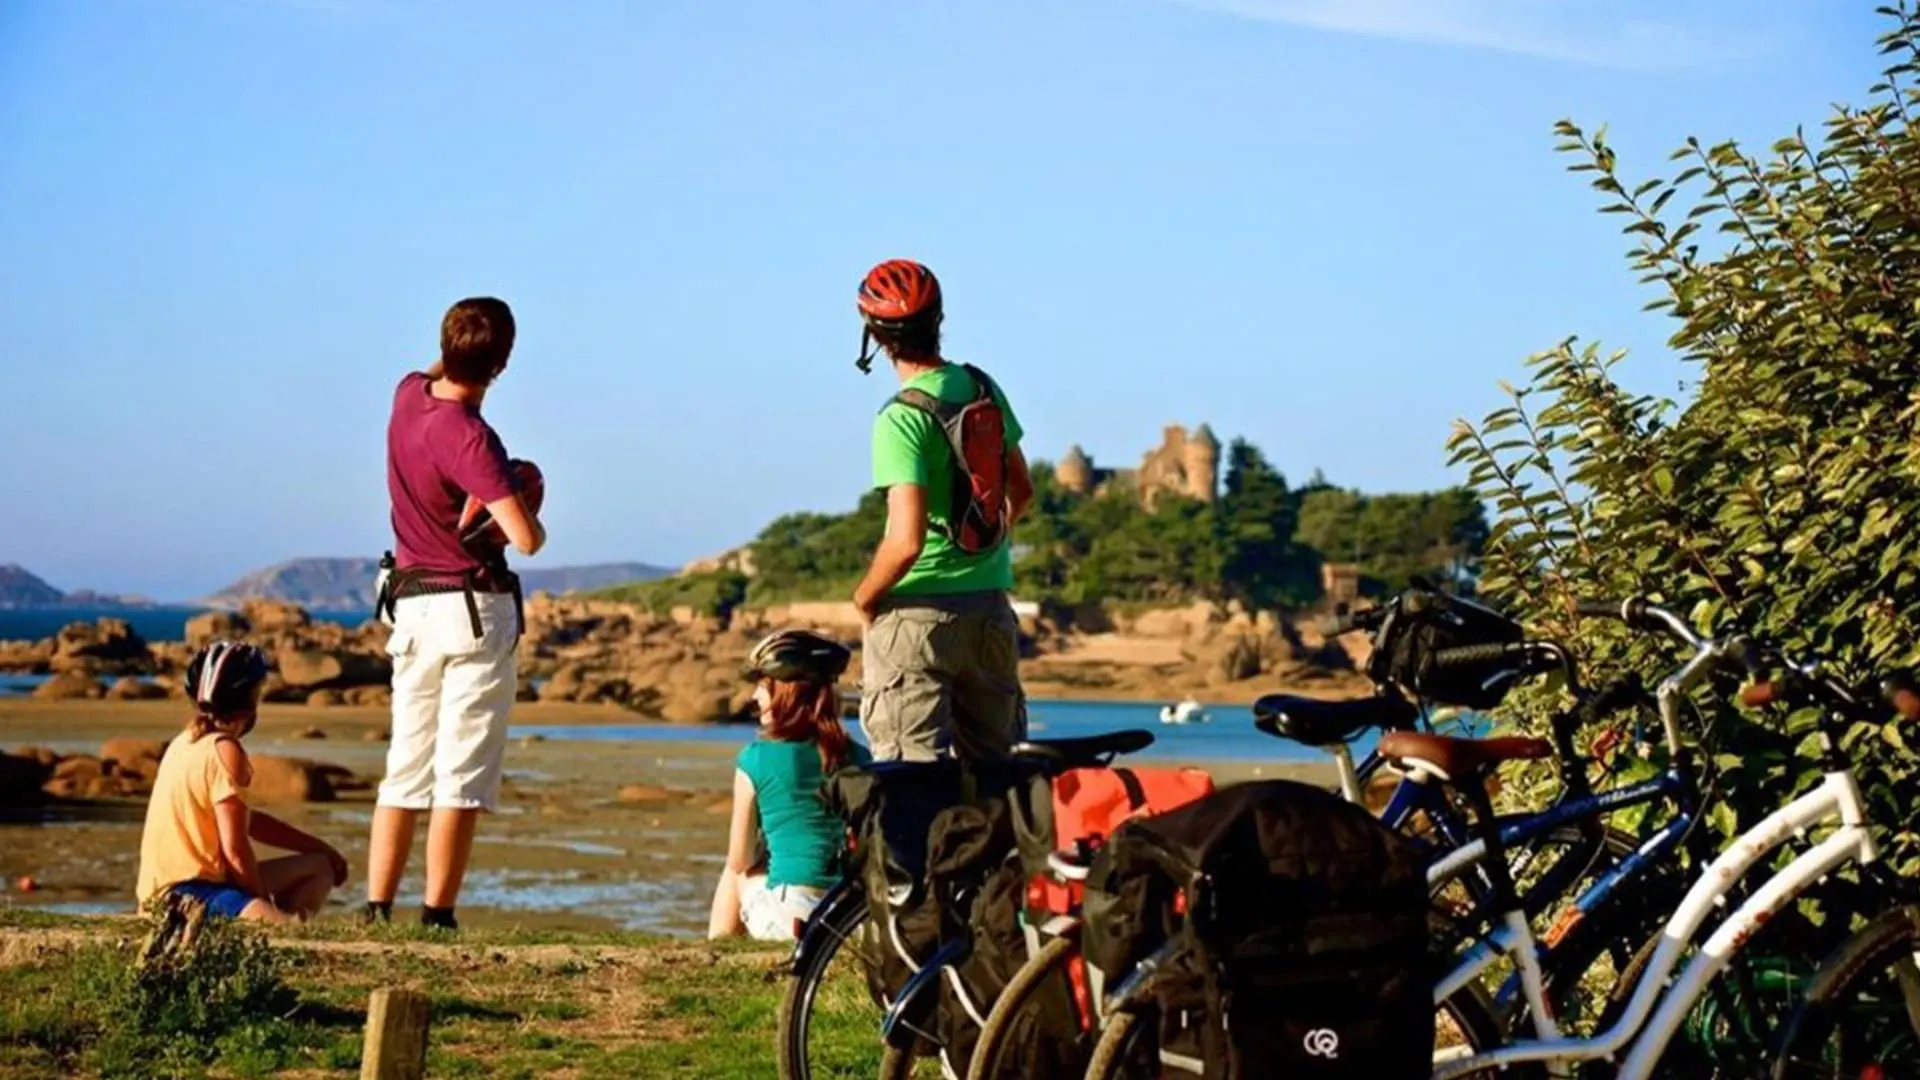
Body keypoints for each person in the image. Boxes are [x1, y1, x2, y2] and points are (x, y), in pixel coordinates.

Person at [365, 296, 545, 931]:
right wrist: (525, 495)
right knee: (460, 771)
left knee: (405, 764)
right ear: (502, 363)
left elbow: (440, 368)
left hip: (411, 605)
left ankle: (377, 906)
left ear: (444, 346)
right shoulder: (471, 439)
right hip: (471, 608)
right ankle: (437, 913)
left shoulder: (406, 396)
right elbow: (525, 539)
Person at [850, 259, 1035, 762]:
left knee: (910, 779)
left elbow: (906, 542)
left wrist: (864, 598)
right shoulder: (981, 387)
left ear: (874, 335)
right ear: (939, 319)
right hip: (990, 612)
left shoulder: (901, 417)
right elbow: (1021, 491)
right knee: (997, 777)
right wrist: (981, 547)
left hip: (916, 615)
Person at [135, 640, 347, 923]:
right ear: (250, 699)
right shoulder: (225, 751)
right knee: (284, 936)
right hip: (189, 893)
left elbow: (247, 821)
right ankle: (270, 925)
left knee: (319, 867)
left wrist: (320, 849)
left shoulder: (184, 742)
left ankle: (265, 921)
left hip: (178, 888)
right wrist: (260, 899)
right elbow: (235, 850)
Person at [708, 629, 871, 941]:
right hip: (849, 917)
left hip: (790, 915)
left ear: (785, 692)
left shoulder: (756, 758)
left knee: (736, 868)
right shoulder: (860, 756)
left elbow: (740, 859)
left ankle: (717, 947)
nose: (755, 697)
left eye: (762, 686)